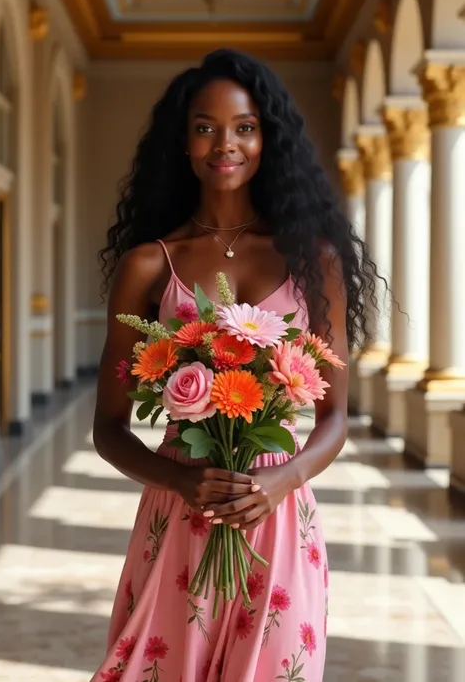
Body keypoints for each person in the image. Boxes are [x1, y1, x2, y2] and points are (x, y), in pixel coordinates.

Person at [91, 48, 378, 682]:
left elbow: (334, 417)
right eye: (206, 127)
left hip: (275, 516)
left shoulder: (313, 258)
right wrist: (179, 480)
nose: (227, 144)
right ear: (184, 142)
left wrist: (284, 479)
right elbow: (107, 429)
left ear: (266, 138)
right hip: (179, 517)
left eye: (245, 127)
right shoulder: (149, 265)